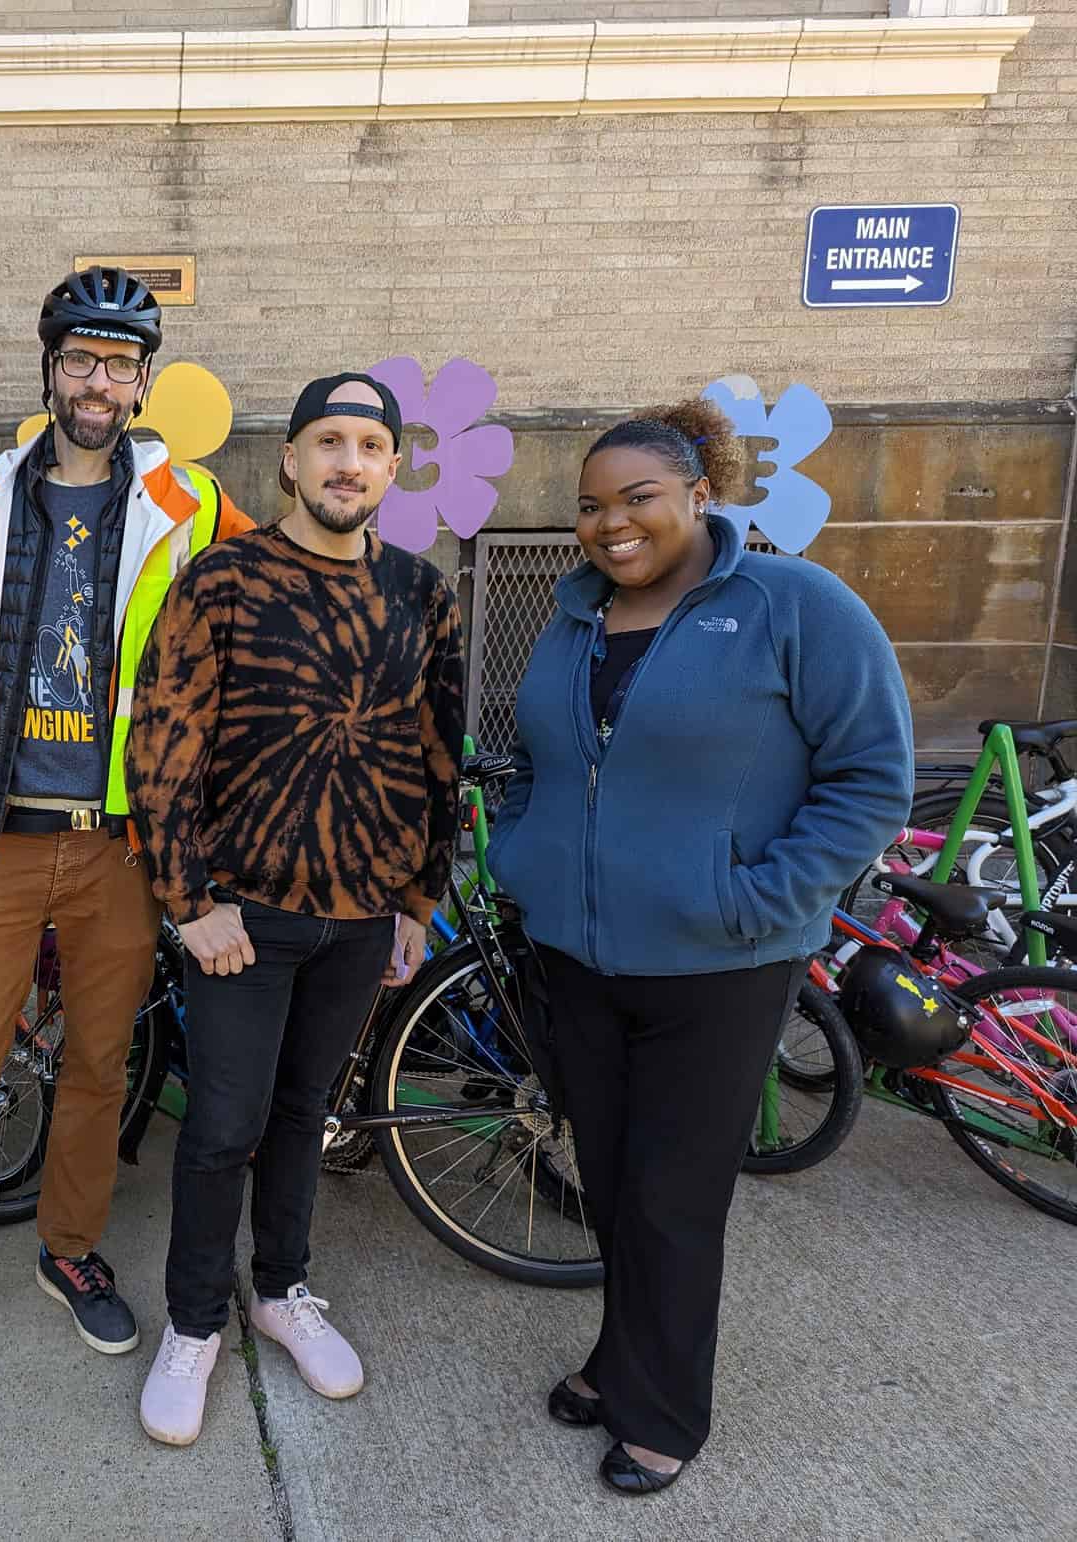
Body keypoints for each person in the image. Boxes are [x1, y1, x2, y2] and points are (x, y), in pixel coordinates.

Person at [485, 399, 912, 1493]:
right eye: (588, 507)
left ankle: (661, 1415)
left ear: (698, 496)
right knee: (617, 1182)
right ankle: (616, 1359)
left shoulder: (790, 604)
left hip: (718, 965)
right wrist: (522, 860)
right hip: (577, 958)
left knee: (672, 1196)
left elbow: (867, 777)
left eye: (637, 499)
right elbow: (536, 755)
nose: (610, 525)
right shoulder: (575, 614)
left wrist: (761, 898)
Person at [0, 265, 253, 1407]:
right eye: (78, 359)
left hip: (122, 843)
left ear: (140, 381)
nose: (96, 381)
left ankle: (69, 1249)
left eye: (118, 364)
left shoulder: (194, 503)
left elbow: (265, 605)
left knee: (95, 1064)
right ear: (49, 367)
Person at [125, 373, 464, 1446]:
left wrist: (418, 897)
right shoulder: (219, 582)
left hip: (361, 916)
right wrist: (189, 904)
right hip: (242, 918)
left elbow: (437, 753)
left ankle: (279, 1291)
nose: (347, 462)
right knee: (220, 1126)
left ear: (392, 465)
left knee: (299, 1117)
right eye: (328, 440)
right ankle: (191, 1325)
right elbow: (161, 748)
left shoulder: (423, 593)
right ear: (288, 458)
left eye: (369, 443)